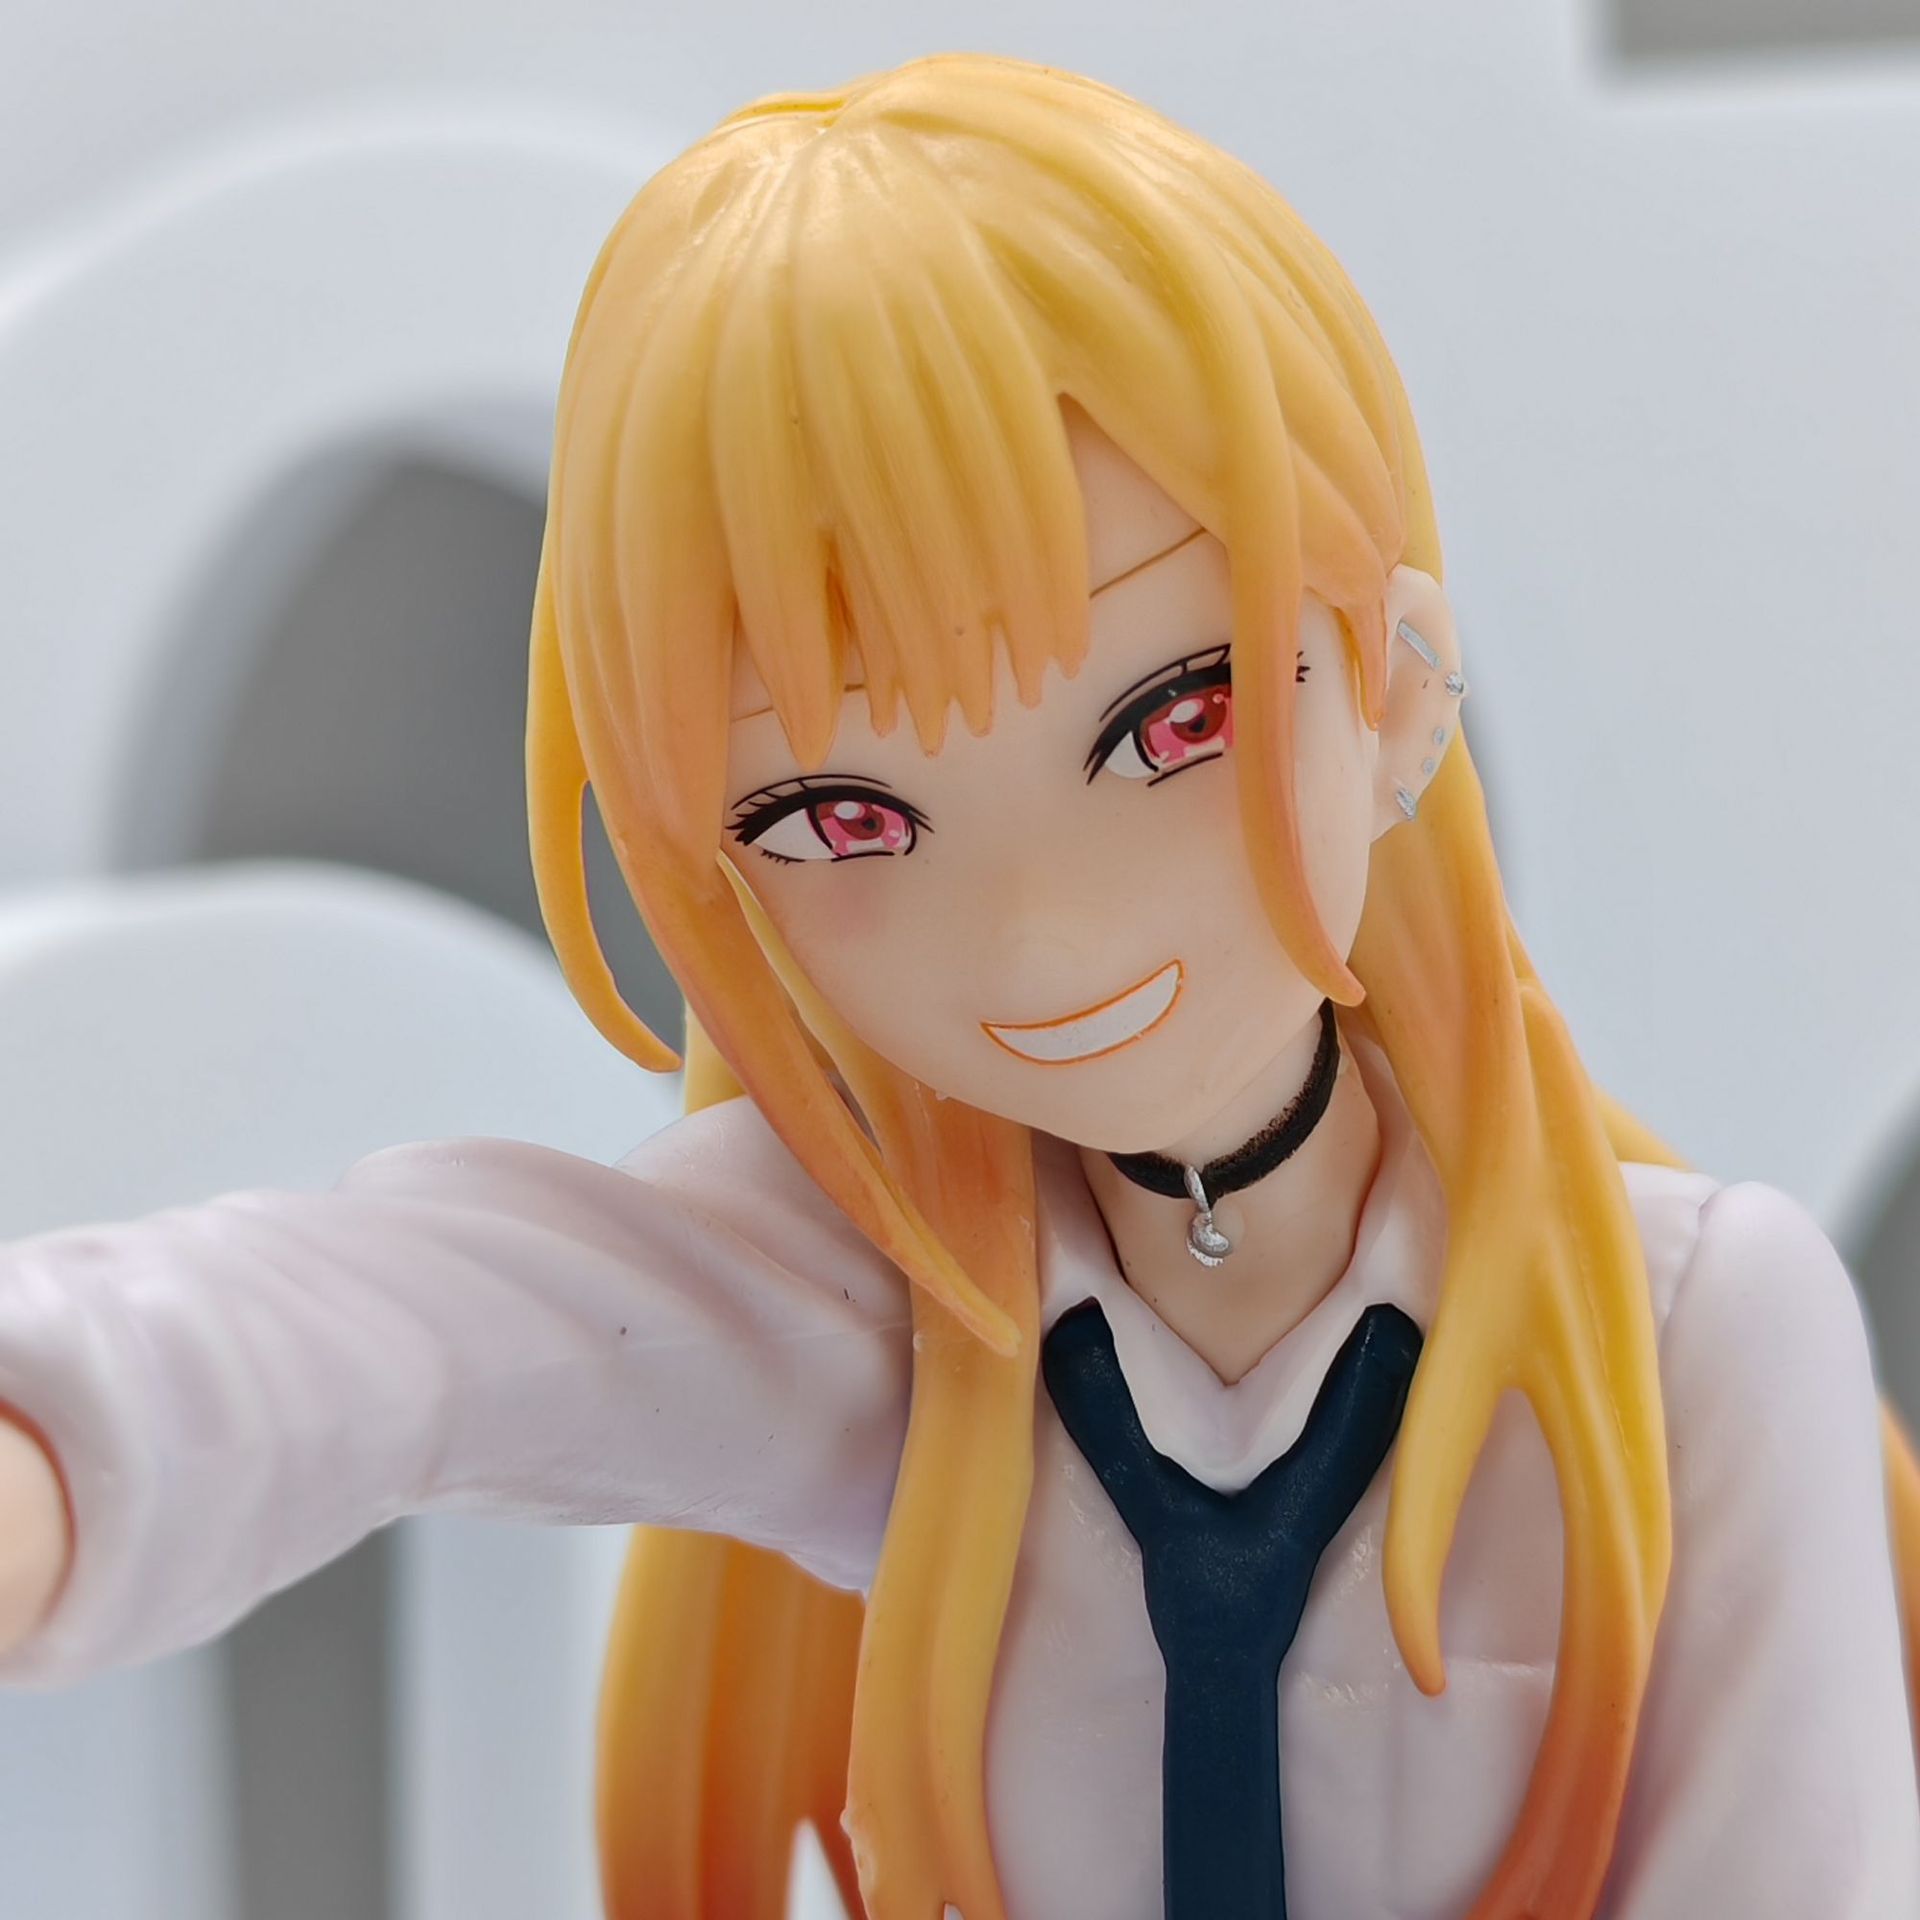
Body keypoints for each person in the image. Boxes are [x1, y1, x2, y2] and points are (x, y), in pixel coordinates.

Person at [0, 52, 1916, 1920]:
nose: (1039, 935)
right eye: (841, 820)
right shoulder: (892, 1302)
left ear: (1402, 689)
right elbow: (405, 1318)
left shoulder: (1692, 1332)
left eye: (1178, 718)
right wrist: (59, 1438)